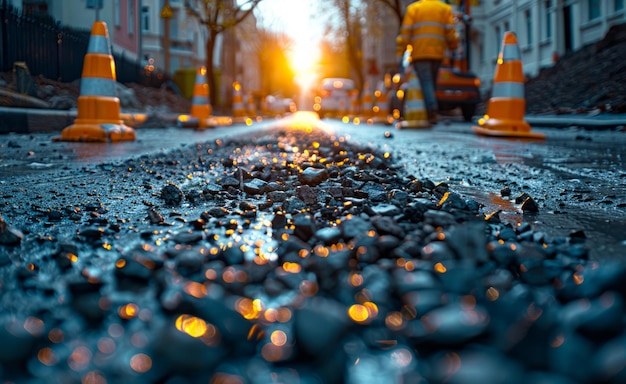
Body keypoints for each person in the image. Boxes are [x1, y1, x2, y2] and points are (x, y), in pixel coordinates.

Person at [396, 0, 459, 124]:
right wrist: (453, 46)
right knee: (432, 81)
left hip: (420, 53)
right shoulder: (444, 8)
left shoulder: (414, 8)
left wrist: (400, 51)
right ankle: (431, 108)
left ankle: (431, 110)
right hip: (438, 53)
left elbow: (405, 33)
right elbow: (450, 32)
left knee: (426, 81)